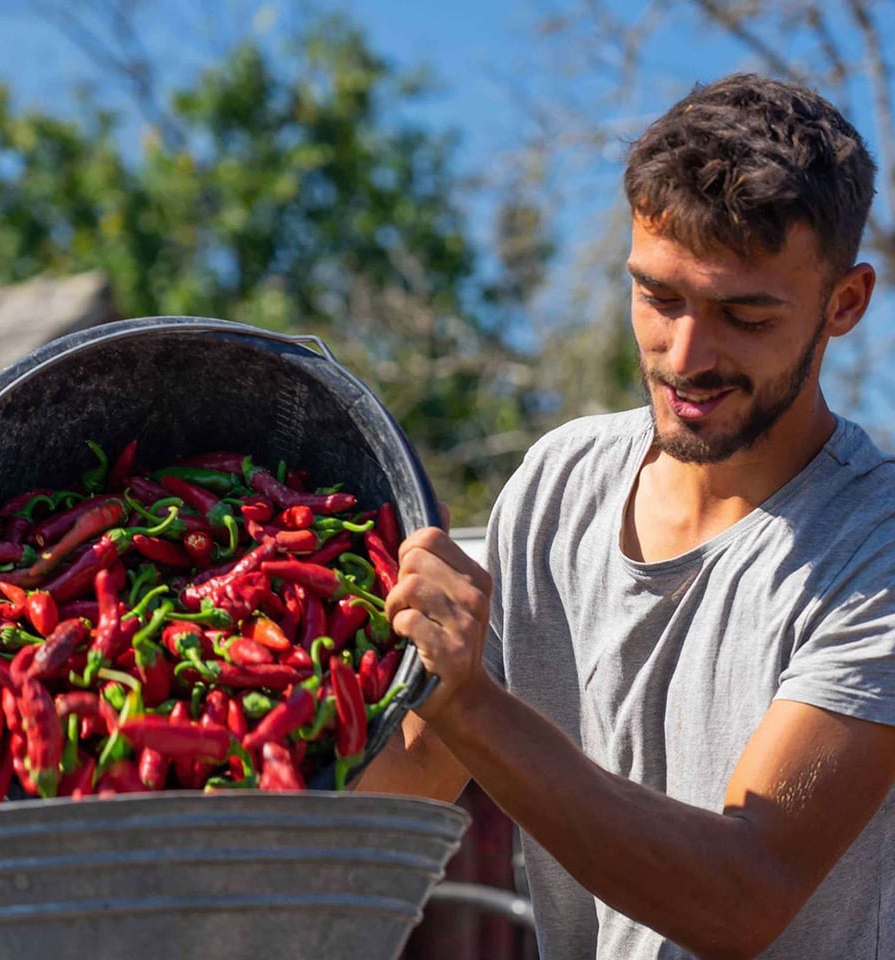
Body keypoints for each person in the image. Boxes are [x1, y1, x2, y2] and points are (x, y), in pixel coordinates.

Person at [357, 73, 895, 960]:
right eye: (660, 298)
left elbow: (743, 897)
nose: (688, 356)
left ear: (845, 304)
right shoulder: (558, 484)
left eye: (745, 315)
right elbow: (407, 778)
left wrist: (474, 704)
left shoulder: (870, 548)